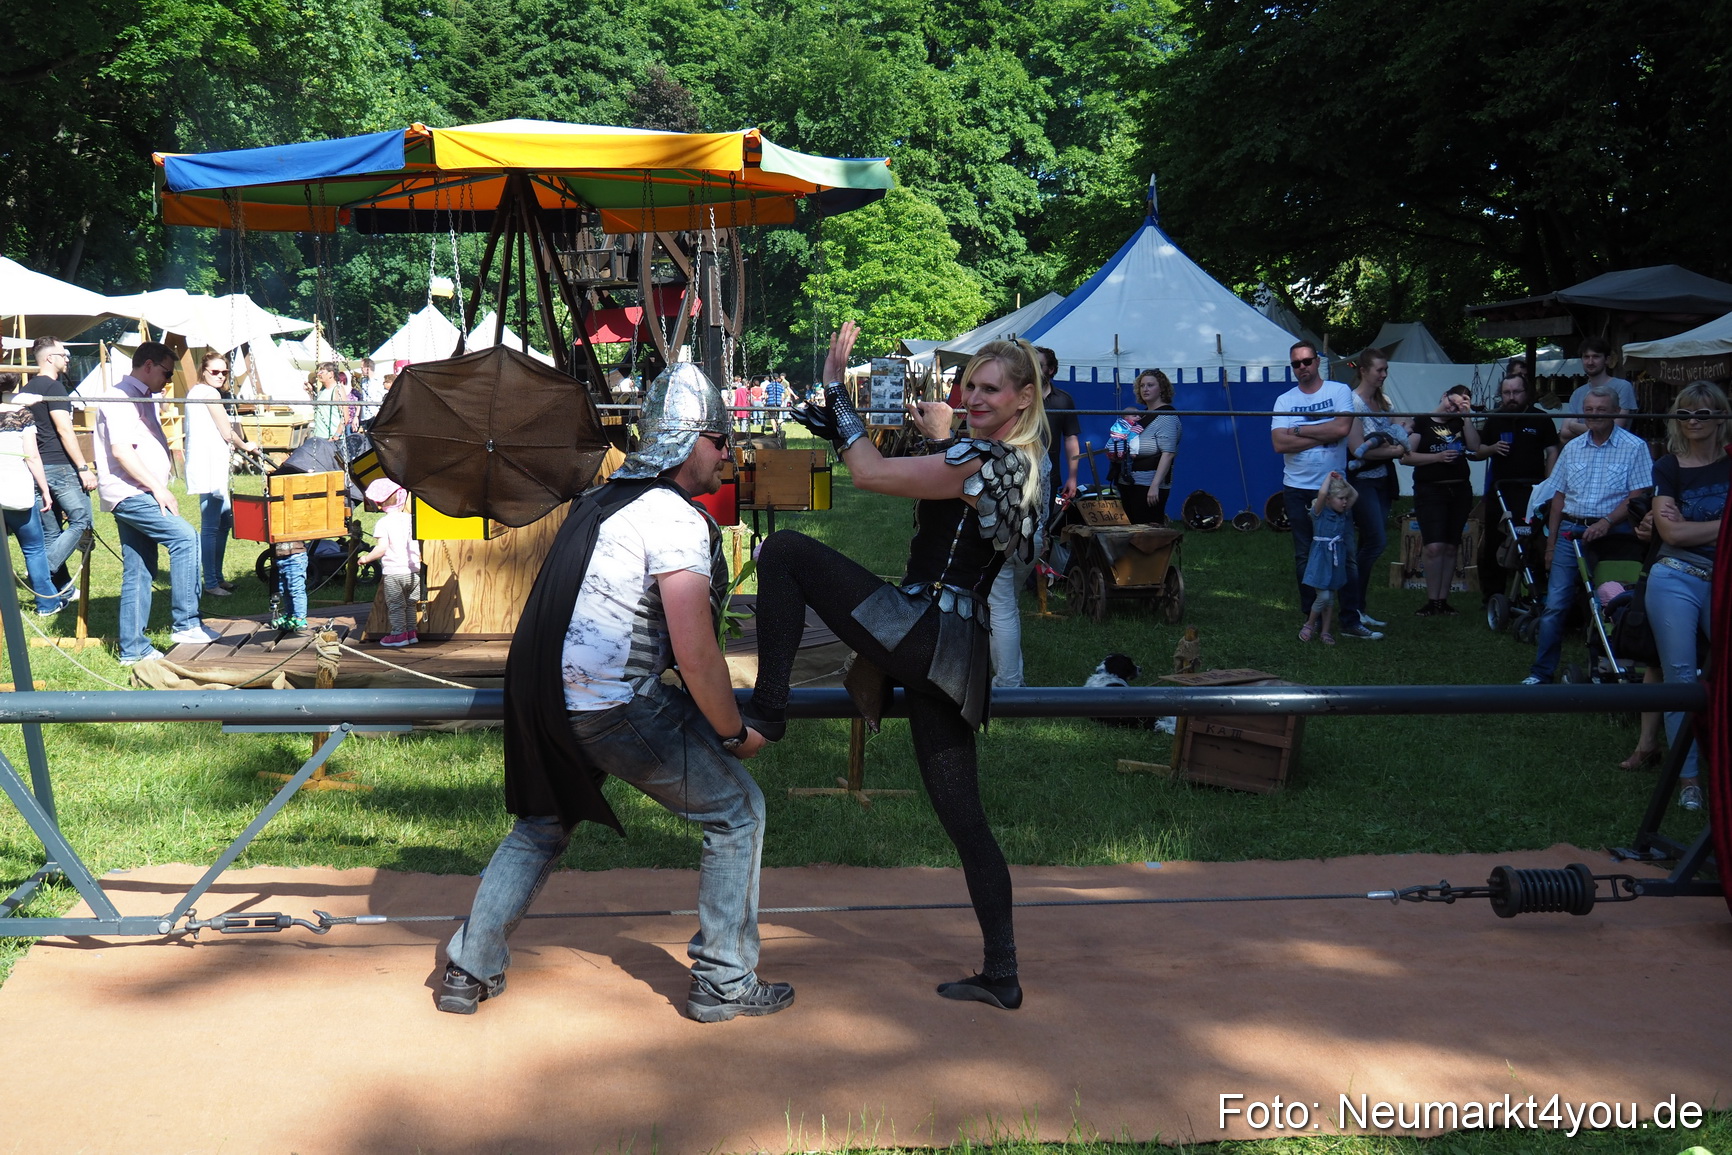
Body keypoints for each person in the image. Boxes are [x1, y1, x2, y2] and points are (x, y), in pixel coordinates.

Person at [441, 361, 791, 1024]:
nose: (729, 455)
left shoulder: (604, 498)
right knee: (738, 809)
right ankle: (724, 979)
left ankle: (469, 964)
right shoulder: (674, 519)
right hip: (612, 707)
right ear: (693, 442)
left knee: (542, 823)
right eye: (722, 440)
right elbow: (696, 654)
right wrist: (729, 734)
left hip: (549, 700)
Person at [743, 322, 1042, 1012]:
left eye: (991, 389)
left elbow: (870, 472)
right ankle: (1003, 973)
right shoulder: (1015, 463)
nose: (973, 397)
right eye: (969, 387)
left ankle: (769, 710)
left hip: (924, 628)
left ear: (1025, 398)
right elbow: (936, 486)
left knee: (786, 550)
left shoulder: (979, 458)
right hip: (954, 649)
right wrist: (888, 428)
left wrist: (835, 388)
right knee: (965, 819)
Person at [96, 342, 219, 665]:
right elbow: (122, 451)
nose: (168, 380)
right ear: (148, 365)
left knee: (138, 570)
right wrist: (157, 488)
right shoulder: (121, 397)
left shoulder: (140, 396)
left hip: (137, 491)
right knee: (185, 537)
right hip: (131, 492)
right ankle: (186, 623)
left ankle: (133, 649)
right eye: (166, 372)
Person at [1521, 384, 1653, 684]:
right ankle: (1541, 672)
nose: (1593, 416)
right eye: (1589, 410)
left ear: (1616, 413)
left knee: (1611, 602)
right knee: (1556, 604)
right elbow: (1557, 498)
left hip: (1616, 533)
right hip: (1571, 530)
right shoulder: (1573, 447)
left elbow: (1638, 496)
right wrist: (1551, 545)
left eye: (1601, 411)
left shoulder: (1634, 447)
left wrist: (1606, 521)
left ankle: (1606, 666)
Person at [1645, 381, 1728, 811]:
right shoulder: (1668, 466)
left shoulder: (1731, 463)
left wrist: (1693, 529)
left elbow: (1679, 527)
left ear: (1721, 417)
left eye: (1703, 412)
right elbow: (1671, 532)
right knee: (1680, 677)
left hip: (1725, 577)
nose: (1693, 420)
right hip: (1675, 574)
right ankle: (1688, 777)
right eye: (1685, 413)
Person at [1271, 341, 1378, 638]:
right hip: (1297, 486)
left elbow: (1343, 430)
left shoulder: (1338, 391)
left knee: (1345, 553)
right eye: (1296, 364)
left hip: (1336, 489)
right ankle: (1312, 616)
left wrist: (1298, 430)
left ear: (1318, 362)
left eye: (1307, 361)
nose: (1302, 367)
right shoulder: (1284, 400)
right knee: (1305, 555)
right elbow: (1279, 443)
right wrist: (1323, 432)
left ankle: (1350, 618)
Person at [1474, 371, 1560, 609]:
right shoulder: (1494, 419)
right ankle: (1491, 596)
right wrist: (1491, 448)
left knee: (1531, 542)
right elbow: (1478, 451)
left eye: (1516, 392)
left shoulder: (1540, 419)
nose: (1511, 397)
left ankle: (1531, 591)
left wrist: (1549, 484)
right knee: (1493, 543)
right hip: (1499, 491)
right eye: (1506, 393)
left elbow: (1552, 451)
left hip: (1532, 491)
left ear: (1526, 393)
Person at [23, 336, 97, 590]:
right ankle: (41, 572)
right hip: (59, 466)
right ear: (50, 358)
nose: (67, 359)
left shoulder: (26, 390)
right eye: (63, 354)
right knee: (81, 519)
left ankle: (62, 588)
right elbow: (65, 431)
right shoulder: (54, 389)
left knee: (51, 533)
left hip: (35, 468)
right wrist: (83, 468)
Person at [184, 352, 258, 598]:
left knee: (223, 521)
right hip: (209, 466)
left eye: (224, 372)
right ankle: (211, 582)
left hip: (208, 464)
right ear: (203, 371)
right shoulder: (208, 393)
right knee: (210, 526)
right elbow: (226, 431)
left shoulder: (195, 391)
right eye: (214, 371)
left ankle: (217, 576)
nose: (219, 376)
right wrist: (246, 446)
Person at [1406, 385, 1482, 616]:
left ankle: (1442, 601)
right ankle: (1431, 599)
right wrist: (1437, 457)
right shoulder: (1421, 421)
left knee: (1450, 547)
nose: (1452, 407)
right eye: (1452, 401)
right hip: (1431, 490)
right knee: (1434, 546)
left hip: (1459, 489)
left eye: (1459, 406)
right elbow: (1406, 457)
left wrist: (1466, 416)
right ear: (1444, 395)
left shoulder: (1459, 422)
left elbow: (1475, 447)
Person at [1347, 349, 1408, 627]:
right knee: (1376, 541)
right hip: (1361, 482)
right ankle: (1352, 605)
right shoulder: (1352, 403)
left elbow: (1402, 431)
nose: (1384, 375)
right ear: (1363, 370)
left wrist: (1396, 446)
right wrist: (1395, 450)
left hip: (1383, 481)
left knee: (1368, 543)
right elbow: (1358, 450)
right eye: (1379, 370)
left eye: (1385, 370)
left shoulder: (1385, 401)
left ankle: (1357, 607)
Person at [0, 376, 71, 615]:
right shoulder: (22, 414)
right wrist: (44, 489)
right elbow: (32, 455)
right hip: (16, 489)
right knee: (33, 549)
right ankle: (47, 603)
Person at [1111, 369, 1181, 524]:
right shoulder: (1140, 416)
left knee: (1146, 533)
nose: (1145, 389)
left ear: (1162, 388)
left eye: (1150, 385)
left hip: (1148, 485)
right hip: (1129, 481)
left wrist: (1155, 486)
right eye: (1142, 385)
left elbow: (1168, 453)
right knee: (1130, 531)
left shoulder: (1166, 417)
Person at [358, 478, 420, 647]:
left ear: (380, 503)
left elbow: (382, 548)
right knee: (410, 605)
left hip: (394, 573)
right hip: (414, 571)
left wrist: (366, 558)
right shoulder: (410, 519)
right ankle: (411, 633)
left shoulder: (383, 523)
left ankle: (399, 635)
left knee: (396, 606)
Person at [1300, 473, 1357, 644]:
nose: (1345, 502)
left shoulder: (1342, 513)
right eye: (1341, 498)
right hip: (1321, 560)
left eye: (1345, 499)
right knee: (1323, 596)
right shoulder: (1319, 513)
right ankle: (1310, 624)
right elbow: (1322, 494)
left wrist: (1343, 482)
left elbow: (1355, 495)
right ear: (1329, 500)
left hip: (1335, 558)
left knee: (1330, 597)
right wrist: (1328, 478)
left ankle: (1325, 631)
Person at [1558, 337, 1638, 443]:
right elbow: (1564, 433)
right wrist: (1599, 429)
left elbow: (1615, 428)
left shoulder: (1623, 386)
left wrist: (1574, 426)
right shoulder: (1578, 393)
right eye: (1586, 357)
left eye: (1596, 357)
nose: (1590, 362)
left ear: (1607, 360)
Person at [1036, 347, 1080, 506]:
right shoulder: (1017, 397)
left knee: (1043, 526)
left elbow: (1071, 439)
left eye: (1039, 365)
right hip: (1018, 473)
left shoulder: (1063, 400)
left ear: (1051, 369)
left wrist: (1072, 477)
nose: (1034, 370)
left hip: (1049, 475)